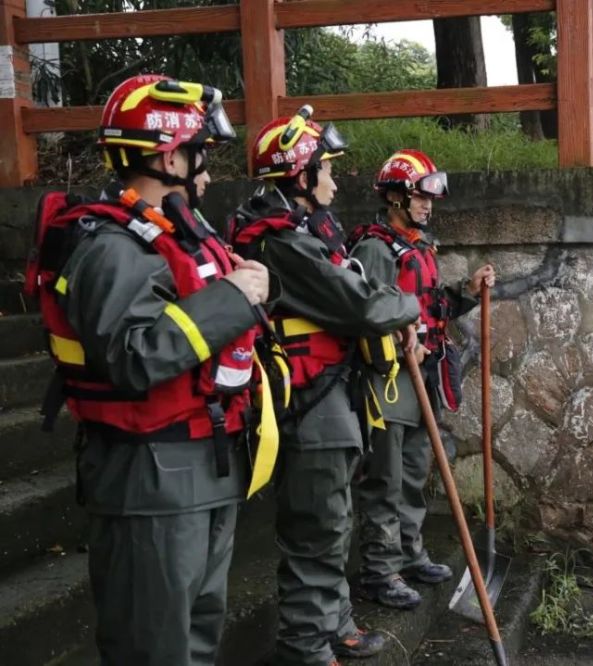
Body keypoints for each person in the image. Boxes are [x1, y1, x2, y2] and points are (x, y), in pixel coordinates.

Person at [27, 74, 270, 665]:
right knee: (154, 650)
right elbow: (134, 358)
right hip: (150, 480)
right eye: (199, 154)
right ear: (167, 154)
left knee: (196, 638)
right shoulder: (110, 247)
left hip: (201, 467)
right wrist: (235, 298)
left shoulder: (174, 236)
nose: (206, 171)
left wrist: (243, 291)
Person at [226, 107, 421, 665]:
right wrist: (408, 307)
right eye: (326, 170)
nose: (335, 180)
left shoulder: (301, 230)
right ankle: (308, 647)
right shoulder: (284, 241)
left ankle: (335, 622)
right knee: (316, 528)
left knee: (333, 522)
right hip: (309, 405)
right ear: (301, 176)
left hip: (329, 396)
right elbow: (358, 302)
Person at [348, 150, 495, 610]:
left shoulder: (419, 246)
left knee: (413, 473)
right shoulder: (375, 249)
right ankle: (379, 570)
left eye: (431, 197)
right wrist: (397, 345)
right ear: (395, 196)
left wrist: (467, 292)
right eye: (420, 196)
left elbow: (432, 308)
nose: (429, 205)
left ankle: (409, 554)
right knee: (386, 478)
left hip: (422, 376)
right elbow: (366, 315)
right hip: (388, 380)